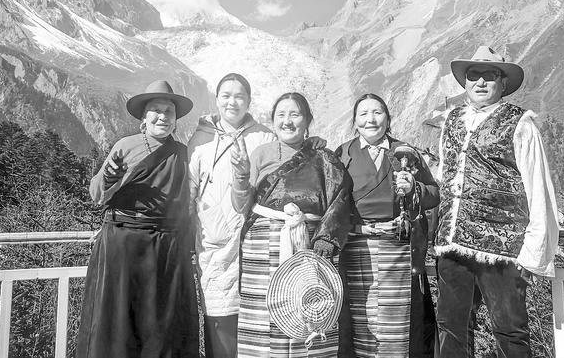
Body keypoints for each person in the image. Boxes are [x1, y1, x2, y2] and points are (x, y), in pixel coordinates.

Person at [433, 46, 560, 358]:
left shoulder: (521, 124)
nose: (480, 82)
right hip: (453, 244)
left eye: (488, 75)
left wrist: (533, 254)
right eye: (473, 75)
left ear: (502, 82)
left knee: (509, 330)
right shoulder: (451, 121)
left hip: (502, 249)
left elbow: (538, 187)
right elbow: (447, 176)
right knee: (451, 326)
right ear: (465, 81)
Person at [75, 80, 198, 358]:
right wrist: (109, 179)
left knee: (161, 325)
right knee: (118, 321)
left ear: (176, 119)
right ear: (144, 116)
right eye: (156, 110)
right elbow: (97, 194)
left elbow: (190, 203)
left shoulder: (182, 154)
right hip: (123, 244)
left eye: (169, 111)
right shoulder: (126, 146)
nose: (162, 116)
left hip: (165, 249)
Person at [231, 92, 354, 358]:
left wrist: (326, 238)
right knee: (264, 316)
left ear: (307, 120)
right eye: (281, 115)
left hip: (310, 248)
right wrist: (241, 175)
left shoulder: (325, 159)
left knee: (310, 305)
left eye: (295, 114)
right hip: (262, 251)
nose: (287, 121)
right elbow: (242, 206)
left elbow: (341, 199)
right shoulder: (261, 154)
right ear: (273, 121)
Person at [334, 93, 439, 358]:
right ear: (355, 122)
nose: (370, 119)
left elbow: (434, 193)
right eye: (363, 114)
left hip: (399, 248)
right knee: (360, 320)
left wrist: (414, 188)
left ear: (388, 118)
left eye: (377, 112)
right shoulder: (343, 154)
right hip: (357, 248)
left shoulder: (405, 152)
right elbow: (333, 202)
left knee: (400, 323)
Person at [187, 73, 277, 358]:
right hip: (214, 243)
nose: (232, 102)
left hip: (256, 242)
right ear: (216, 99)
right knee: (219, 322)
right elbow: (189, 191)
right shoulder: (201, 139)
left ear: (249, 101)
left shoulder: (264, 136)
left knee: (258, 325)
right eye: (226, 96)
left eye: (239, 96)